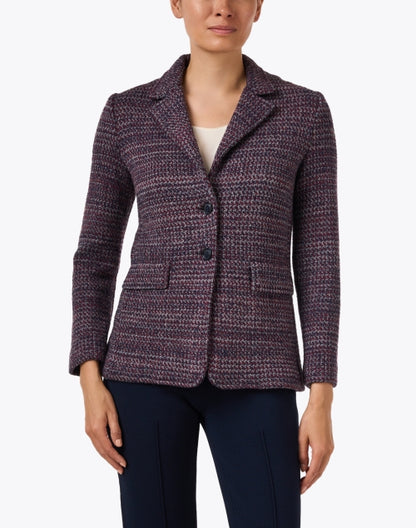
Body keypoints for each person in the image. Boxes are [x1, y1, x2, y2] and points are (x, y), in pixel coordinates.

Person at [69, 1, 340, 527]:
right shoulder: (127, 113)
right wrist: (89, 375)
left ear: (258, 6)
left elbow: (319, 259)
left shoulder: (303, 112)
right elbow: (95, 254)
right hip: (143, 366)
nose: (221, 8)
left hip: (260, 365)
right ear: (176, 4)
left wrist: (322, 394)